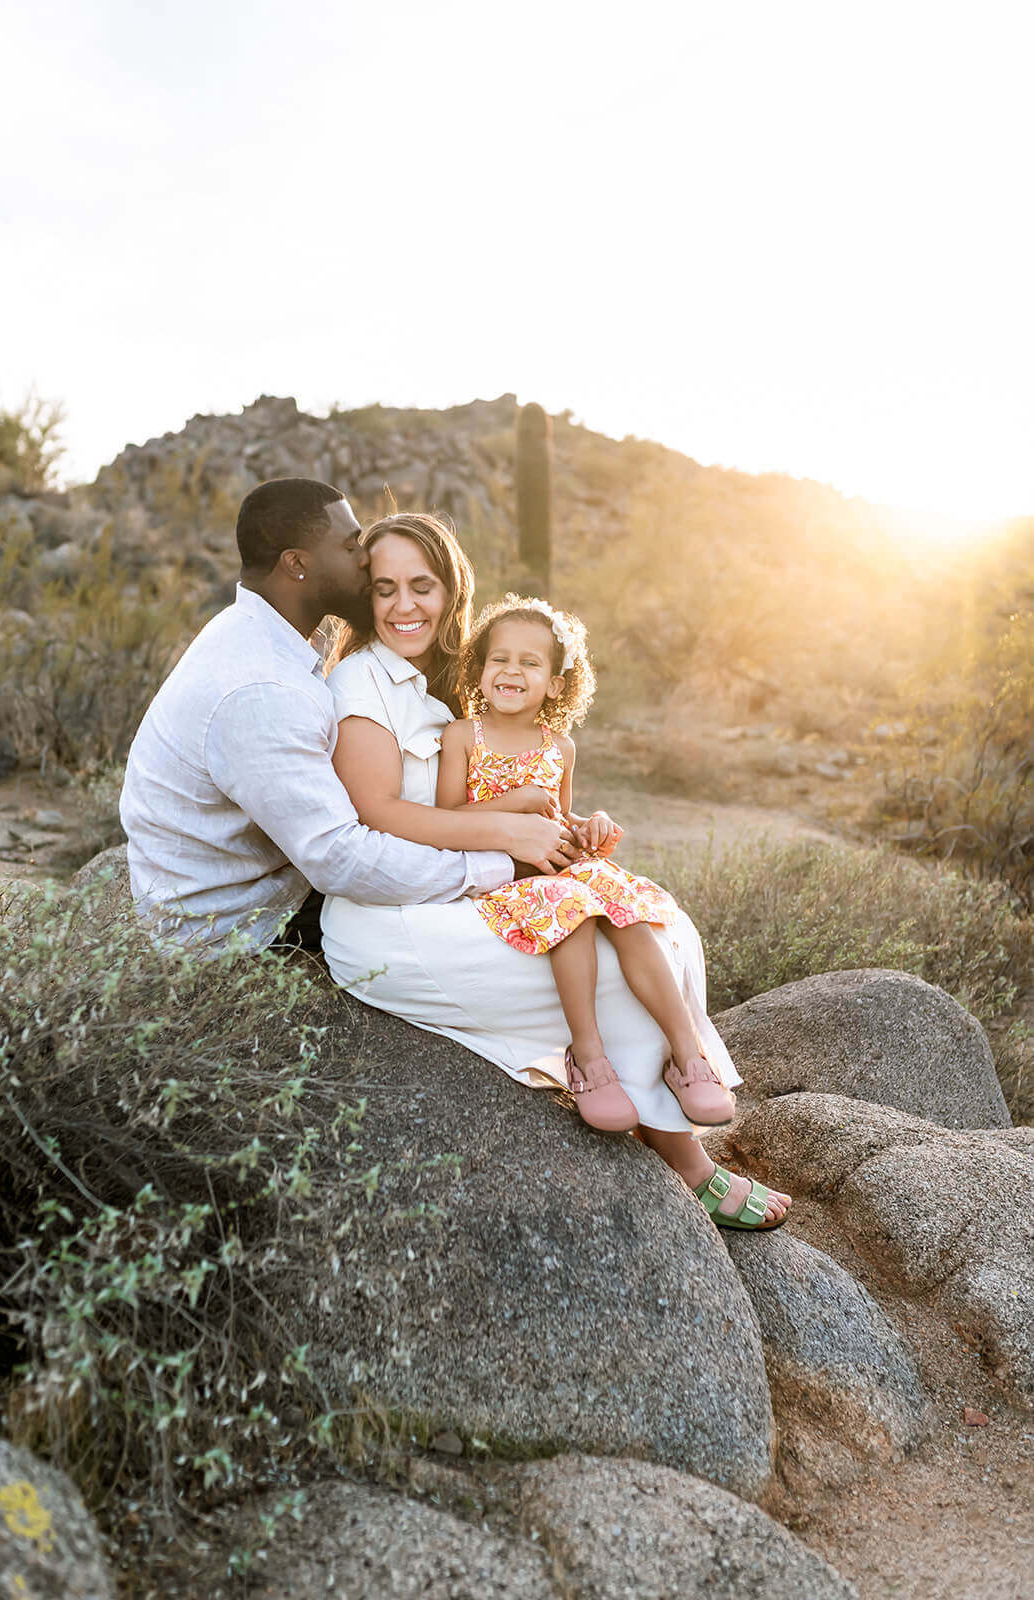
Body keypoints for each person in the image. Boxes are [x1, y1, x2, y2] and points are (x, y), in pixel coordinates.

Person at [326, 513, 791, 1231]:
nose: (403, 605)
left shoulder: (446, 680)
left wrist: (557, 834)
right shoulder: (365, 684)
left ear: (453, 591)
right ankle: (679, 1155)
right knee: (597, 959)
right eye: (384, 588)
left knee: (653, 921)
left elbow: (535, 799)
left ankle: (678, 1078)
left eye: (422, 585)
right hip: (394, 904)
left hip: (465, 876)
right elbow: (377, 813)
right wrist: (508, 829)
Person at [119, 478, 572, 954]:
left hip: (267, 889)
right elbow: (338, 856)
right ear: (297, 564)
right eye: (350, 544)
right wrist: (501, 863)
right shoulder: (263, 687)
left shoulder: (259, 638)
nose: (363, 556)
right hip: (236, 930)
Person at [435, 593, 737, 1138]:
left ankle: (688, 1058)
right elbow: (448, 816)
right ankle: (590, 1061)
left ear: (554, 683)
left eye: (530, 663)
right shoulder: (462, 736)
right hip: (507, 876)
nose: (512, 671)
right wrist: (517, 801)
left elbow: (562, 813)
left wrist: (590, 822)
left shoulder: (561, 747)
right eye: (499, 658)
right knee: (572, 909)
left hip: (562, 865)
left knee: (628, 913)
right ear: (480, 671)